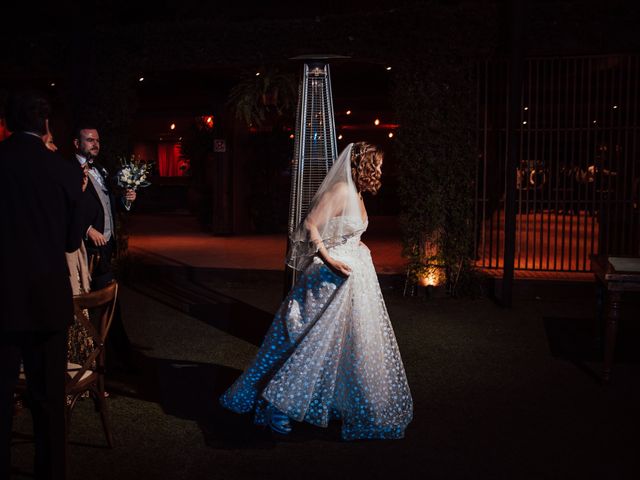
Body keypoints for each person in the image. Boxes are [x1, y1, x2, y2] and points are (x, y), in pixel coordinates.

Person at [220, 142, 413, 440]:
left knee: (343, 344)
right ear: (364, 166)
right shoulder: (340, 191)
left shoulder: (357, 193)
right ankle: (277, 404)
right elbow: (309, 225)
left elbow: (347, 231)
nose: (382, 170)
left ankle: (331, 399)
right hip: (329, 276)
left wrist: (356, 246)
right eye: (378, 164)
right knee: (310, 341)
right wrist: (329, 258)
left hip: (353, 278)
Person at [0, 90, 83, 480]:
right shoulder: (63, 170)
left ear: (8, 123)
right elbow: (70, 240)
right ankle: (50, 471)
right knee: (48, 396)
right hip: (48, 298)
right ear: (45, 125)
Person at [72, 126, 135, 369]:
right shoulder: (69, 170)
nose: (95, 144)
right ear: (77, 143)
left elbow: (108, 206)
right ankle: (105, 361)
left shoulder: (101, 169)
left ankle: (113, 360)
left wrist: (125, 201)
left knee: (109, 304)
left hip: (106, 249)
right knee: (95, 308)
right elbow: (67, 207)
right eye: (89, 140)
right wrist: (87, 229)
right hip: (85, 251)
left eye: (97, 140)